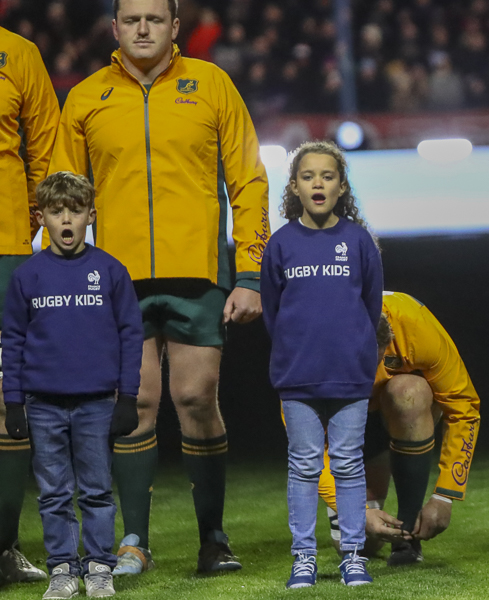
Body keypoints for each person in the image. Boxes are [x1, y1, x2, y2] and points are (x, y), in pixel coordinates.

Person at [48, 0, 270, 575]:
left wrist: (250, 273)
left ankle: (213, 539)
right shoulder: (85, 97)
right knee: (136, 406)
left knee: (196, 400)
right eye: (131, 19)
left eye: (155, 18)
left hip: (197, 273)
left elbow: (248, 180)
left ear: (176, 27)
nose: (142, 28)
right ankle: (134, 543)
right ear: (114, 28)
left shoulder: (213, 85)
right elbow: (63, 199)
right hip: (115, 283)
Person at [2, 172, 143, 599]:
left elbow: (130, 335)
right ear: (40, 217)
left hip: (97, 403)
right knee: (53, 492)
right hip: (42, 404)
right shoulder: (28, 276)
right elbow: (12, 338)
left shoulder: (110, 271)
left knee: (97, 490)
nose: (66, 220)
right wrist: (12, 404)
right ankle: (63, 568)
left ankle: (99, 566)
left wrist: (129, 398)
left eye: (75, 211)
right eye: (56, 211)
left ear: (91, 215)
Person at [261, 141, 383, 588]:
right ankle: (304, 558)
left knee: (349, 463)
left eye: (327, 176)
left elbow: (371, 307)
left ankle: (352, 555)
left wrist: (352, 351)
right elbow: (274, 312)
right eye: (308, 176)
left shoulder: (357, 241)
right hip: (298, 376)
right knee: (305, 466)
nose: (318, 183)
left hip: (350, 375)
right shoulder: (281, 244)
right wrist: (298, 351)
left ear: (341, 186)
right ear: (294, 186)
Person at [319, 291, 482, 566]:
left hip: (396, 416)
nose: (367, 376)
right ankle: (370, 476)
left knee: (409, 391)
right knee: (362, 546)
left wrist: (446, 494)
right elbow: (305, 442)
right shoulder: (308, 342)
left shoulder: (413, 324)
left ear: (388, 342)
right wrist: (353, 509)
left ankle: (408, 531)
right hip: (345, 427)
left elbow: (463, 406)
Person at [0, 24, 60, 585]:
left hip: (7, 248)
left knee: (7, 397)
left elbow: (45, 146)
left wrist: (38, 228)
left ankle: (4, 545)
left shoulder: (19, 53)